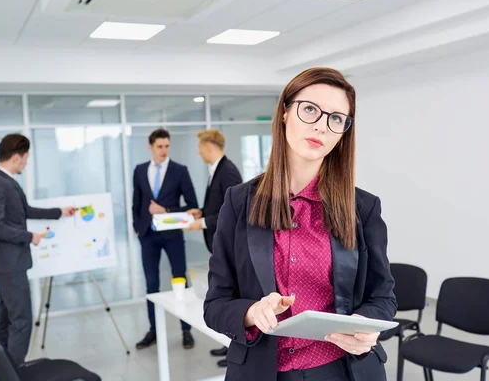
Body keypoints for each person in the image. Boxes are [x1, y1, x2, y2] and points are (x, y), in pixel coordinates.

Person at [203, 67, 397, 380]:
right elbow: (215, 306)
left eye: (336, 118)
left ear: (344, 130)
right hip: (263, 371)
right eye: (310, 110)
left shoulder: (363, 208)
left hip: (343, 370)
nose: (321, 127)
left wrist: (365, 327)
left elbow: (383, 297)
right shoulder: (239, 202)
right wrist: (253, 313)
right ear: (284, 113)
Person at [0, 134, 77, 365]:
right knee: (22, 320)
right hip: (9, 263)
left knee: (6, 318)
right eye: (26, 158)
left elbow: (26, 211)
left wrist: (59, 211)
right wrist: (29, 236)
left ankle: (3, 370)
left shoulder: (6, 181)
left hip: (9, 263)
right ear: (16, 157)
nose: (26, 162)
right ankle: (14, 373)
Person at [132, 128, 198, 350]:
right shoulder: (140, 171)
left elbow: (192, 205)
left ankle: (186, 330)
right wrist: (137, 229)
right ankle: (154, 331)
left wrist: (166, 210)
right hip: (148, 235)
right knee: (151, 284)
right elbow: (136, 202)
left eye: (167, 146)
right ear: (150, 147)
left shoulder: (180, 171)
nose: (164, 150)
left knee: (180, 279)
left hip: (172, 235)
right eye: (159, 146)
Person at [186, 129, 242, 367]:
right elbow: (218, 204)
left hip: (230, 244)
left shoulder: (227, 171)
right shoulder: (216, 169)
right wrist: (201, 211)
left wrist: (204, 222)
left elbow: (234, 209)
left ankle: (235, 350)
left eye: (200, 147)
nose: (198, 152)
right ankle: (229, 343)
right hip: (218, 242)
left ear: (209, 147)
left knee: (232, 296)